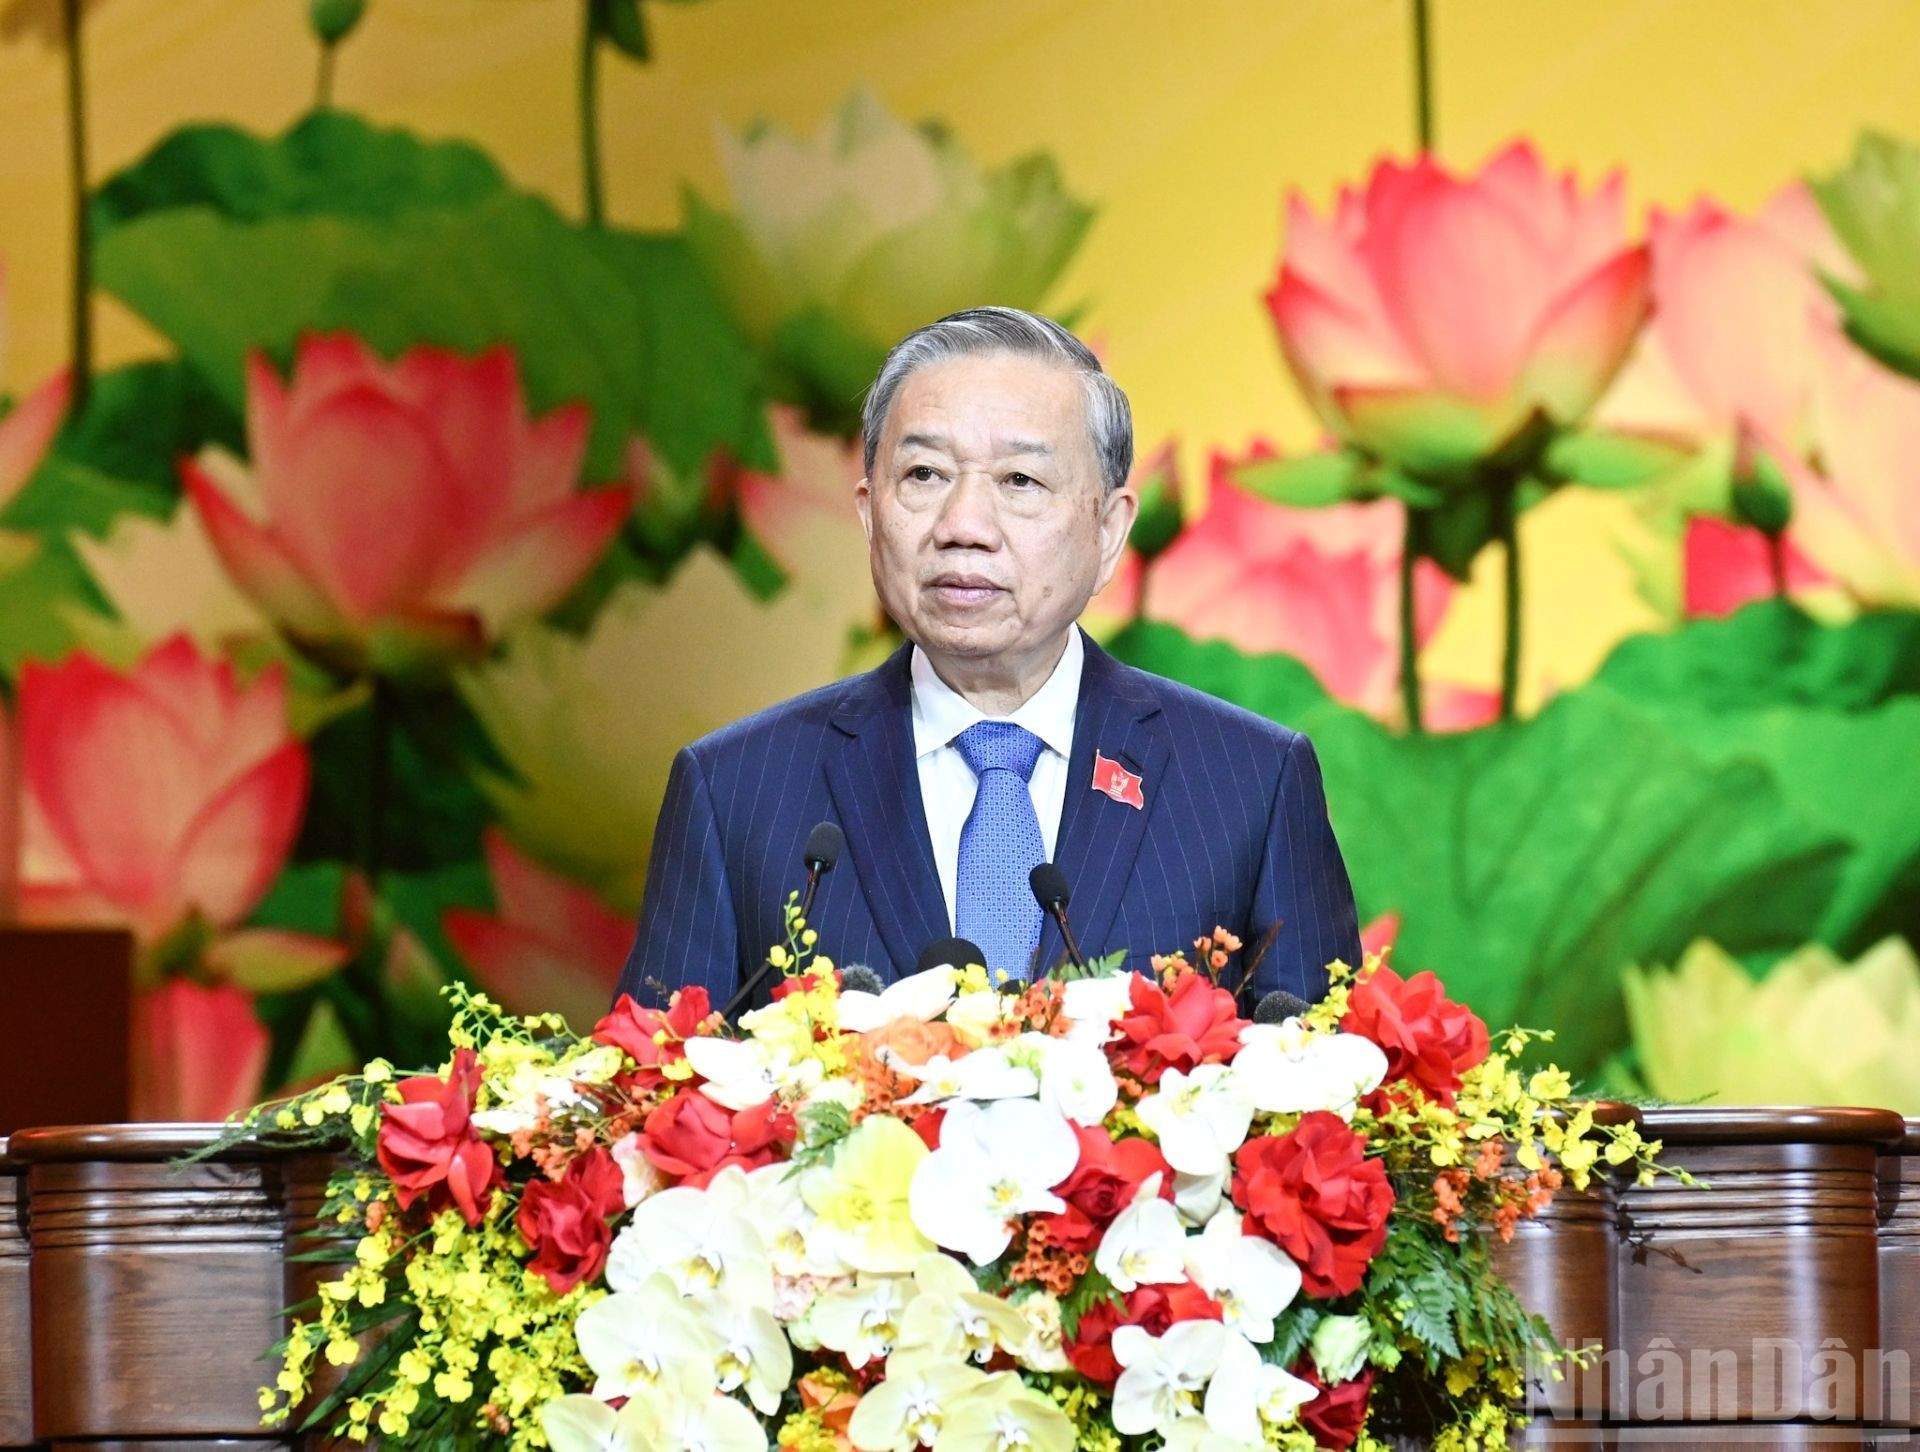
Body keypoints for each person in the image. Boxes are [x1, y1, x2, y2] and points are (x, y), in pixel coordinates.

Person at [616, 306, 1360, 1009]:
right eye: (925, 476)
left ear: (1108, 530)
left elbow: (1329, 1122)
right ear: (869, 514)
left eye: (1020, 481)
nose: (963, 525)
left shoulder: (1249, 785)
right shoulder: (734, 792)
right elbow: (651, 1106)